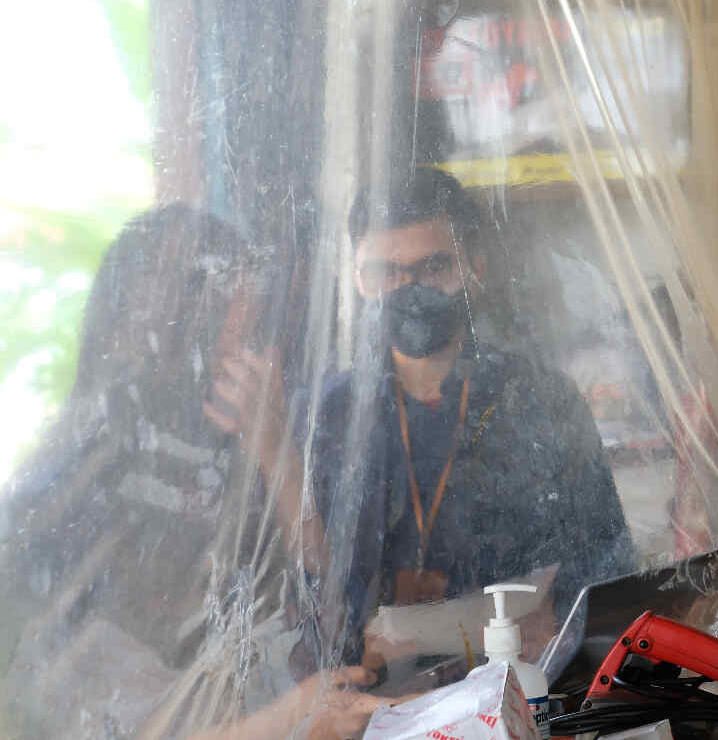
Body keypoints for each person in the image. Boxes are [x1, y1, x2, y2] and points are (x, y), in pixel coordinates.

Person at [0, 204, 391, 739]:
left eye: (261, 321)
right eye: (239, 317)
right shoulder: (101, 446)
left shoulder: (282, 430)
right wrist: (284, 719)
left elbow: (333, 613)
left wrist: (275, 449)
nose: (261, 346)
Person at [306, 168, 634, 668]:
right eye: (385, 273)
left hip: (524, 680)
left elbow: (603, 565)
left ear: (473, 268)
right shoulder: (334, 413)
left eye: (434, 267)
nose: (409, 290)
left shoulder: (539, 397)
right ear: (356, 280)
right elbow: (316, 589)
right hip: (376, 688)